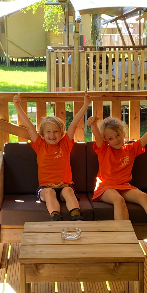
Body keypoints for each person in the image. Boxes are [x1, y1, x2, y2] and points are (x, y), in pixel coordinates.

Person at [87, 107, 147, 246]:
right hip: (105, 187)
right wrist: (93, 124)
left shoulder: (131, 149)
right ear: (106, 141)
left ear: (123, 133)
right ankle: (124, 241)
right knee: (118, 200)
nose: (115, 140)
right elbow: (97, 135)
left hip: (124, 186)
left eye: (117, 135)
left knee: (143, 197)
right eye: (110, 138)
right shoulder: (104, 149)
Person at [13, 92, 91, 221]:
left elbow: (73, 124)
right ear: (42, 134)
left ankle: (76, 217)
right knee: (50, 192)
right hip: (46, 188)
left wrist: (85, 105)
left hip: (64, 185)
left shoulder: (65, 144)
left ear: (61, 134)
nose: (52, 135)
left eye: (56, 131)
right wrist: (17, 105)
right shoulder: (40, 145)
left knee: (68, 191)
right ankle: (55, 217)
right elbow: (28, 125)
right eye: (48, 131)